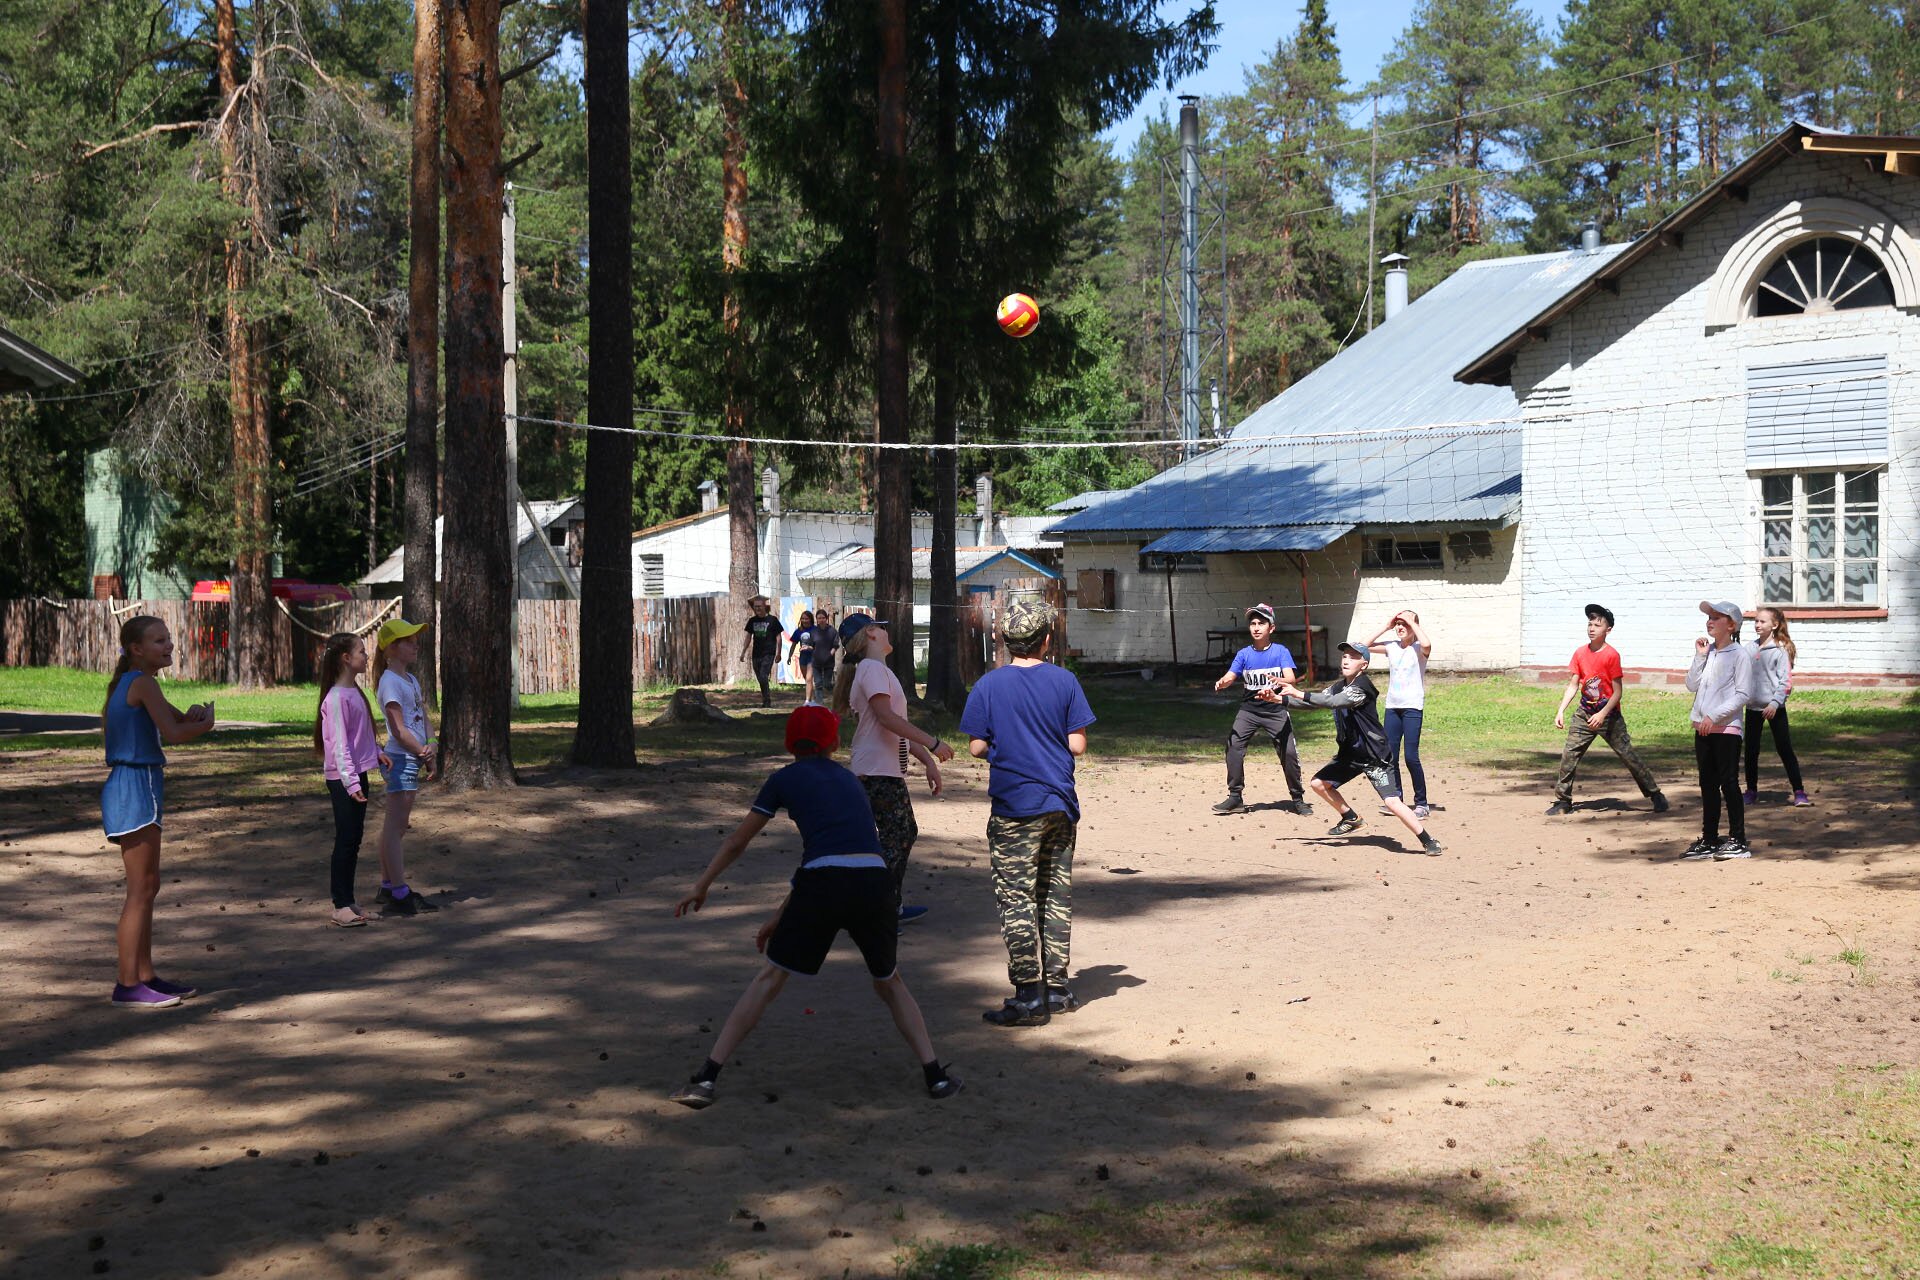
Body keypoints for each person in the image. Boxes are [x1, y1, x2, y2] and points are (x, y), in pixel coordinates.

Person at [668, 705, 961, 1108]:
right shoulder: (851, 780)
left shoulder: (782, 779)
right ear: (835, 743)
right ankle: (936, 1076)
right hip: (874, 884)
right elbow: (839, 854)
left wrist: (702, 885)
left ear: (790, 745)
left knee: (770, 979)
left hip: (823, 884)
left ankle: (706, 1079)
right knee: (889, 982)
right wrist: (780, 915)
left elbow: (744, 843)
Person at [959, 597, 1096, 1027]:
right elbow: (1077, 745)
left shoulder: (988, 685)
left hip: (1015, 806)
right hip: (1059, 802)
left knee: (1016, 896)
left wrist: (1003, 745)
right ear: (1047, 641)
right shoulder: (1065, 682)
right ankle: (1058, 989)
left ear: (1005, 641)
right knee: (1054, 894)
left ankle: (1028, 996)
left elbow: (976, 745)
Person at [99, 615, 215, 1008]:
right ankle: (127, 983)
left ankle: (145, 975)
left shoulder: (139, 683)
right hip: (135, 787)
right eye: (158, 641)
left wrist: (196, 713)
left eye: (168, 639)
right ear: (136, 649)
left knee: (148, 887)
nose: (168, 646)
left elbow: (178, 718)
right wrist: (207, 725)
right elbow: (177, 734)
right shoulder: (142, 682)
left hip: (137, 785)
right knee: (140, 891)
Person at [829, 613, 955, 926]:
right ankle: (877, 909)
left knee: (894, 836)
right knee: (899, 835)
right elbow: (887, 719)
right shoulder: (871, 670)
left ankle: (886, 907)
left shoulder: (875, 670)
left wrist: (926, 759)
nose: (887, 632)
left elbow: (891, 728)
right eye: (881, 628)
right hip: (876, 770)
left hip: (879, 769)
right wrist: (934, 742)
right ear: (870, 633)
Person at [1267, 641, 1443, 856]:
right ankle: (1351, 818)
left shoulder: (1362, 687)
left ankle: (1427, 840)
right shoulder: (1337, 686)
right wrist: (1280, 699)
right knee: (1319, 784)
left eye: (1353, 656)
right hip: (1351, 754)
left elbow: (1333, 702)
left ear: (1364, 665)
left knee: (1392, 802)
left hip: (1373, 755)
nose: (1346, 659)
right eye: (1344, 656)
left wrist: (1296, 693)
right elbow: (1319, 701)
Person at [1547, 603, 1669, 816]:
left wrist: (1602, 714)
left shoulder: (1611, 655)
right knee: (1569, 755)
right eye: (1589, 624)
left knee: (1628, 755)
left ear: (1608, 630)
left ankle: (1655, 794)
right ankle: (1563, 801)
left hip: (1608, 716)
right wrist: (1561, 710)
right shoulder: (1580, 653)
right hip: (1584, 713)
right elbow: (1574, 684)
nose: (1592, 628)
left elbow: (1617, 693)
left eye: (1597, 624)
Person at [1211, 603, 1310, 816]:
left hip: (1275, 709)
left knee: (1289, 753)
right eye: (1253, 623)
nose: (1256, 627)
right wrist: (1224, 681)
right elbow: (1231, 675)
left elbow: (1291, 678)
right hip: (1249, 710)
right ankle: (1235, 797)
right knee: (1233, 747)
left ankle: (1298, 798)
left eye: (1261, 623)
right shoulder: (1244, 654)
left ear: (1271, 628)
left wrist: (1279, 680)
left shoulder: (1280, 651)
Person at [315, 632, 387, 927]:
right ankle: (339, 904)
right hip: (344, 780)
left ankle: (348, 899)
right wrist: (351, 783)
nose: (366, 655)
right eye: (361, 651)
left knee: (354, 839)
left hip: (355, 776)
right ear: (346, 658)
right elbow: (340, 745)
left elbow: (361, 736)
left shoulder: (355, 692)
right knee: (346, 840)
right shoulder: (334, 699)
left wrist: (377, 752)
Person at [374, 618, 439, 915]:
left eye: (415, 640)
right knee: (395, 827)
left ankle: (388, 886)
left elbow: (420, 715)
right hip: (401, 759)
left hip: (411, 757)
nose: (415, 645)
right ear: (392, 648)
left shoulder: (410, 680)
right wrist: (423, 753)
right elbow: (398, 729)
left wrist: (431, 741)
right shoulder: (389, 682)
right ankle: (399, 892)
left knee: (396, 827)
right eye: (408, 641)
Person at [1684, 600, 1757, 861]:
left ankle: (1738, 839)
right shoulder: (1710, 652)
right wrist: (1699, 656)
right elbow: (1691, 685)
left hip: (1726, 729)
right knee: (1707, 784)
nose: (1710, 621)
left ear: (1732, 624)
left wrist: (1714, 715)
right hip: (1702, 728)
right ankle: (1710, 839)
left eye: (1716, 617)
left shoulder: (1740, 655)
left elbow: (1743, 694)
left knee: (1728, 783)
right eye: (1709, 617)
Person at [1366, 609, 1433, 818]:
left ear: (1414, 626)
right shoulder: (1391, 647)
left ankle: (1422, 803)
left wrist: (1413, 623)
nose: (1400, 627)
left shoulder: (1418, 649)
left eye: (1405, 623)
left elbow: (1427, 645)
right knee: (1390, 756)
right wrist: (1386, 626)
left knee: (1411, 757)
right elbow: (1364, 646)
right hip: (1392, 707)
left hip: (1412, 707)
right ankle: (1397, 800)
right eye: (1398, 624)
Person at [1744, 607, 1809, 806]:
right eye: (1756, 621)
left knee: (1784, 749)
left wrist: (1774, 703)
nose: (1757, 624)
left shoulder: (1781, 650)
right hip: (1753, 708)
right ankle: (1751, 790)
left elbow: (1785, 682)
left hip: (1774, 709)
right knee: (1750, 751)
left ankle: (1799, 792)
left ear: (1775, 625)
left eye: (1762, 621)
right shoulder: (1749, 648)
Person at [739, 595, 787, 708]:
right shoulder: (752, 621)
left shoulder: (773, 620)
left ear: (765, 606)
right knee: (760, 678)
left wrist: (779, 653)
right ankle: (765, 698)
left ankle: (767, 701)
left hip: (769, 653)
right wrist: (743, 652)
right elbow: (748, 637)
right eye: (755, 607)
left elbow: (779, 637)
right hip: (756, 654)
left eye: (759, 606)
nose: (757, 609)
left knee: (763, 675)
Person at [809, 606, 841, 700]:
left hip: (828, 662)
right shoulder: (813, 631)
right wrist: (807, 647)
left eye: (823, 618)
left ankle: (838, 695)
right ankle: (819, 704)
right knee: (818, 684)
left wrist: (829, 655)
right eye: (819, 618)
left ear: (826, 618)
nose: (821, 620)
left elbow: (835, 646)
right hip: (816, 662)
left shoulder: (832, 631)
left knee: (827, 684)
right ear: (816, 619)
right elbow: (811, 645)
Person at [787, 609, 818, 703]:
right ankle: (813, 699)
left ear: (810, 619)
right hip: (803, 658)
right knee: (807, 680)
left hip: (813, 657)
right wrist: (789, 656)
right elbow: (793, 645)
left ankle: (807, 701)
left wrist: (810, 648)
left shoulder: (815, 630)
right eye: (803, 618)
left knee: (809, 678)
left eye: (806, 618)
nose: (804, 620)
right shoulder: (798, 631)